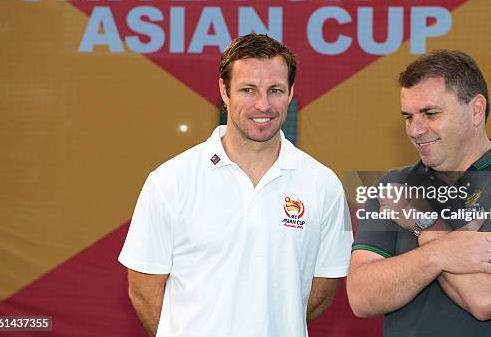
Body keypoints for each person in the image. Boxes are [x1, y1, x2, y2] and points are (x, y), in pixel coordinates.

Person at [119, 34, 353, 337]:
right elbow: (143, 291)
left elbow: (322, 291)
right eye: (248, 90)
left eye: (275, 90)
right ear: (223, 90)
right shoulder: (169, 181)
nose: (263, 104)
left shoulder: (325, 184)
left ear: (291, 92)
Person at [348, 49, 491, 336]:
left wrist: (423, 224)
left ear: (476, 109)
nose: (415, 129)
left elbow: (486, 297)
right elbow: (362, 296)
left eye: (430, 113)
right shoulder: (394, 185)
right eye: (408, 117)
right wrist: (444, 252)